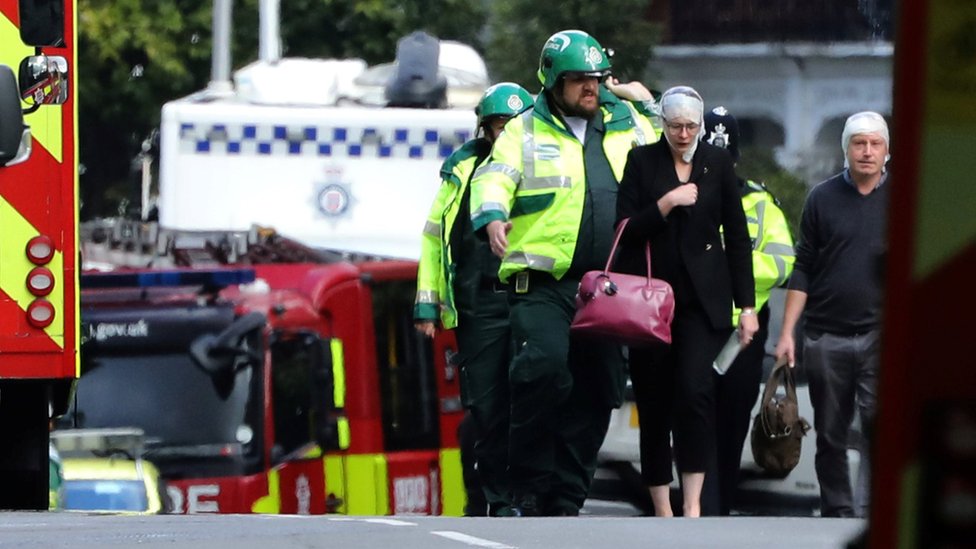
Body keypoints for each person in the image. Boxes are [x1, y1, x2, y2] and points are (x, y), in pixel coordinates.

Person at [469, 29, 659, 516]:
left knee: (600, 390)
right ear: (553, 81)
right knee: (543, 372)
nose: (591, 89)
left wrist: (649, 103)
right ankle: (526, 490)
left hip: (607, 289)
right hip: (543, 284)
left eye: (596, 80)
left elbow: (674, 148)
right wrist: (492, 216)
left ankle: (568, 496)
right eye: (579, 81)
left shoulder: (625, 121)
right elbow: (495, 175)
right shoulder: (525, 129)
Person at [615, 86, 758, 517]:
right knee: (654, 398)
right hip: (649, 302)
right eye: (675, 125)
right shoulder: (641, 162)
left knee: (694, 393)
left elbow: (737, 237)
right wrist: (665, 203)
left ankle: (692, 503)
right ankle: (663, 505)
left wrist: (747, 307)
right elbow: (623, 230)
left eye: (691, 126)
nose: (683, 133)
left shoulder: (716, 164)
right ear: (663, 123)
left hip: (702, 303)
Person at [414, 82, 535, 516]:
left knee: (530, 396)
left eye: (514, 126)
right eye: (500, 125)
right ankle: (491, 498)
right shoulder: (461, 169)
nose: (506, 134)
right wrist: (427, 304)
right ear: (485, 128)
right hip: (478, 304)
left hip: (529, 296)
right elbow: (434, 238)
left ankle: (518, 497)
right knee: (485, 406)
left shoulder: (543, 164)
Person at [774, 111, 889, 518]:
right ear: (846, 150)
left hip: (881, 333)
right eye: (859, 143)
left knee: (880, 427)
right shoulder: (821, 198)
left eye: (875, 144)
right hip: (825, 333)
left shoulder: (903, 197)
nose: (867, 151)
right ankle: (838, 512)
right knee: (830, 432)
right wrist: (787, 332)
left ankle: (872, 513)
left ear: (887, 151)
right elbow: (802, 266)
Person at [699, 106, 796, 515]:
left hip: (743, 331)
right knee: (694, 418)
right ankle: (697, 506)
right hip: (694, 325)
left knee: (733, 420)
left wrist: (725, 275)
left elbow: (781, 261)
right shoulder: (683, 195)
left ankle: (718, 509)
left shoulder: (760, 203)